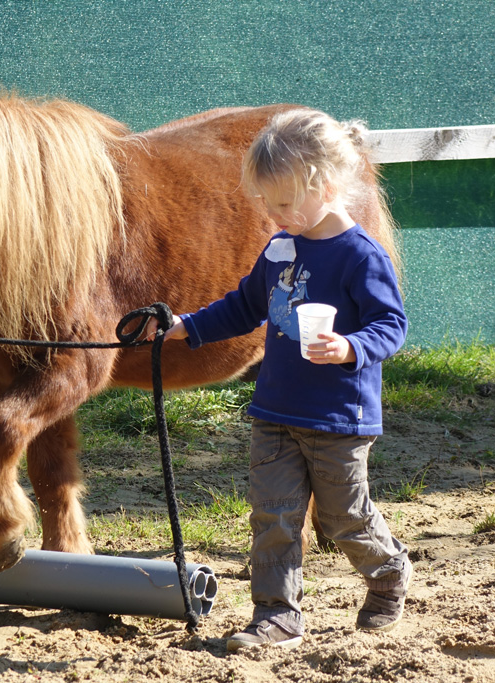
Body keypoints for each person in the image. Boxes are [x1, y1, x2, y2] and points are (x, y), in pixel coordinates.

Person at [149, 109, 412, 650]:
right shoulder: (279, 248)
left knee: (343, 517)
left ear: (329, 185)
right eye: (268, 202)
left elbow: (392, 324)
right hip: (275, 413)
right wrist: (185, 327)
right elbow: (245, 306)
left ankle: (387, 572)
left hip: (338, 417)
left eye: (287, 202)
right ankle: (276, 615)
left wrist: (349, 347)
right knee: (273, 516)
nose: (275, 213)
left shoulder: (361, 256)